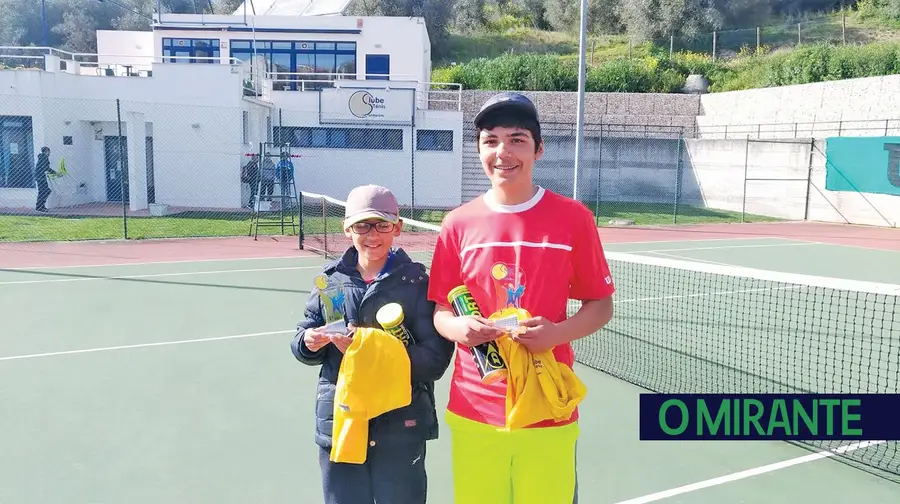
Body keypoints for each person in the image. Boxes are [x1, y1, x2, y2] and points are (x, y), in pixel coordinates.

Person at [427, 92, 616, 504]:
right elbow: (442, 308)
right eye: (490, 140)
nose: (503, 152)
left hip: (548, 407)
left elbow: (600, 304)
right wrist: (459, 327)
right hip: (476, 406)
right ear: (478, 149)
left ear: (538, 148)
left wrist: (557, 334)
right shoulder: (457, 225)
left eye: (517, 139)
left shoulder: (574, 219)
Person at [290, 184, 455, 504]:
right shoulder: (329, 279)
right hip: (341, 421)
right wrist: (308, 342)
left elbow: (435, 359)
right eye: (362, 225)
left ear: (398, 227)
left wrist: (369, 352)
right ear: (347, 228)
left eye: (382, 224)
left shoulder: (417, 283)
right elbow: (303, 335)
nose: (372, 234)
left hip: (399, 426)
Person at [34, 146, 56, 212]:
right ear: (46, 151)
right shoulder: (44, 157)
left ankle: (41, 206)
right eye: (49, 152)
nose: (50, 153)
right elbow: (46, 167)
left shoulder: (42, 157)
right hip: (40, 177)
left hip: (40, 177)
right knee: (45, 191)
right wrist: (55, 173)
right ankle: (40, 206)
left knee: (45, 191)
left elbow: (44, 168)